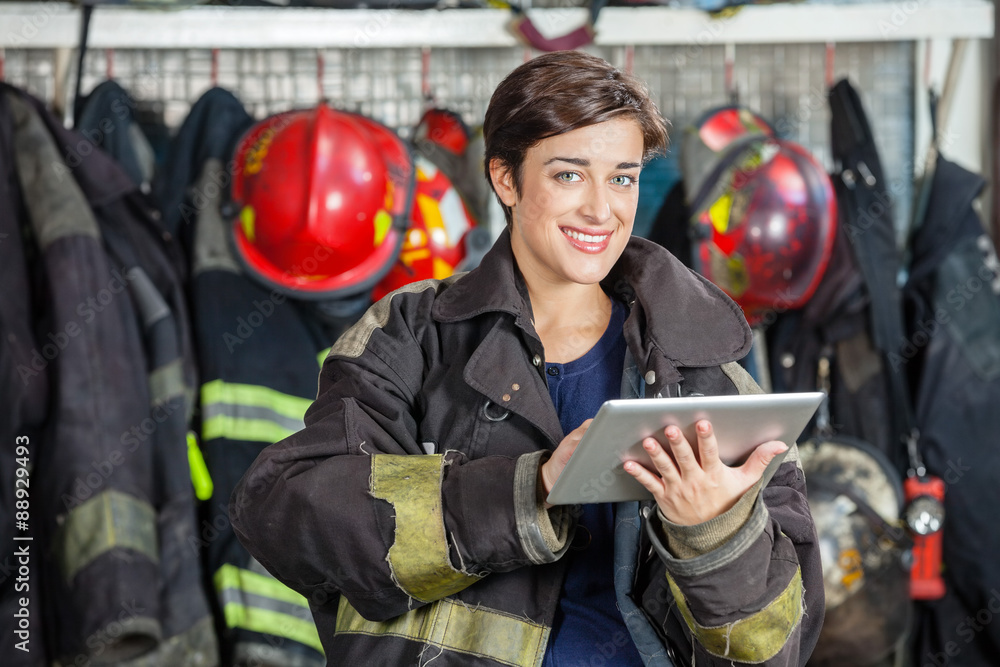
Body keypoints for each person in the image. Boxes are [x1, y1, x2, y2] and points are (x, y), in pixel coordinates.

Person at [230, 50, 824, 667]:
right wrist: (529, 489)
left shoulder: (709, 372)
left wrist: (713, 533)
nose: (602, 209)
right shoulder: (410, 335)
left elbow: (780, 647)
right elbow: (286, 515)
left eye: (622, 177)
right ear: (506, 179)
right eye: (570, 175)